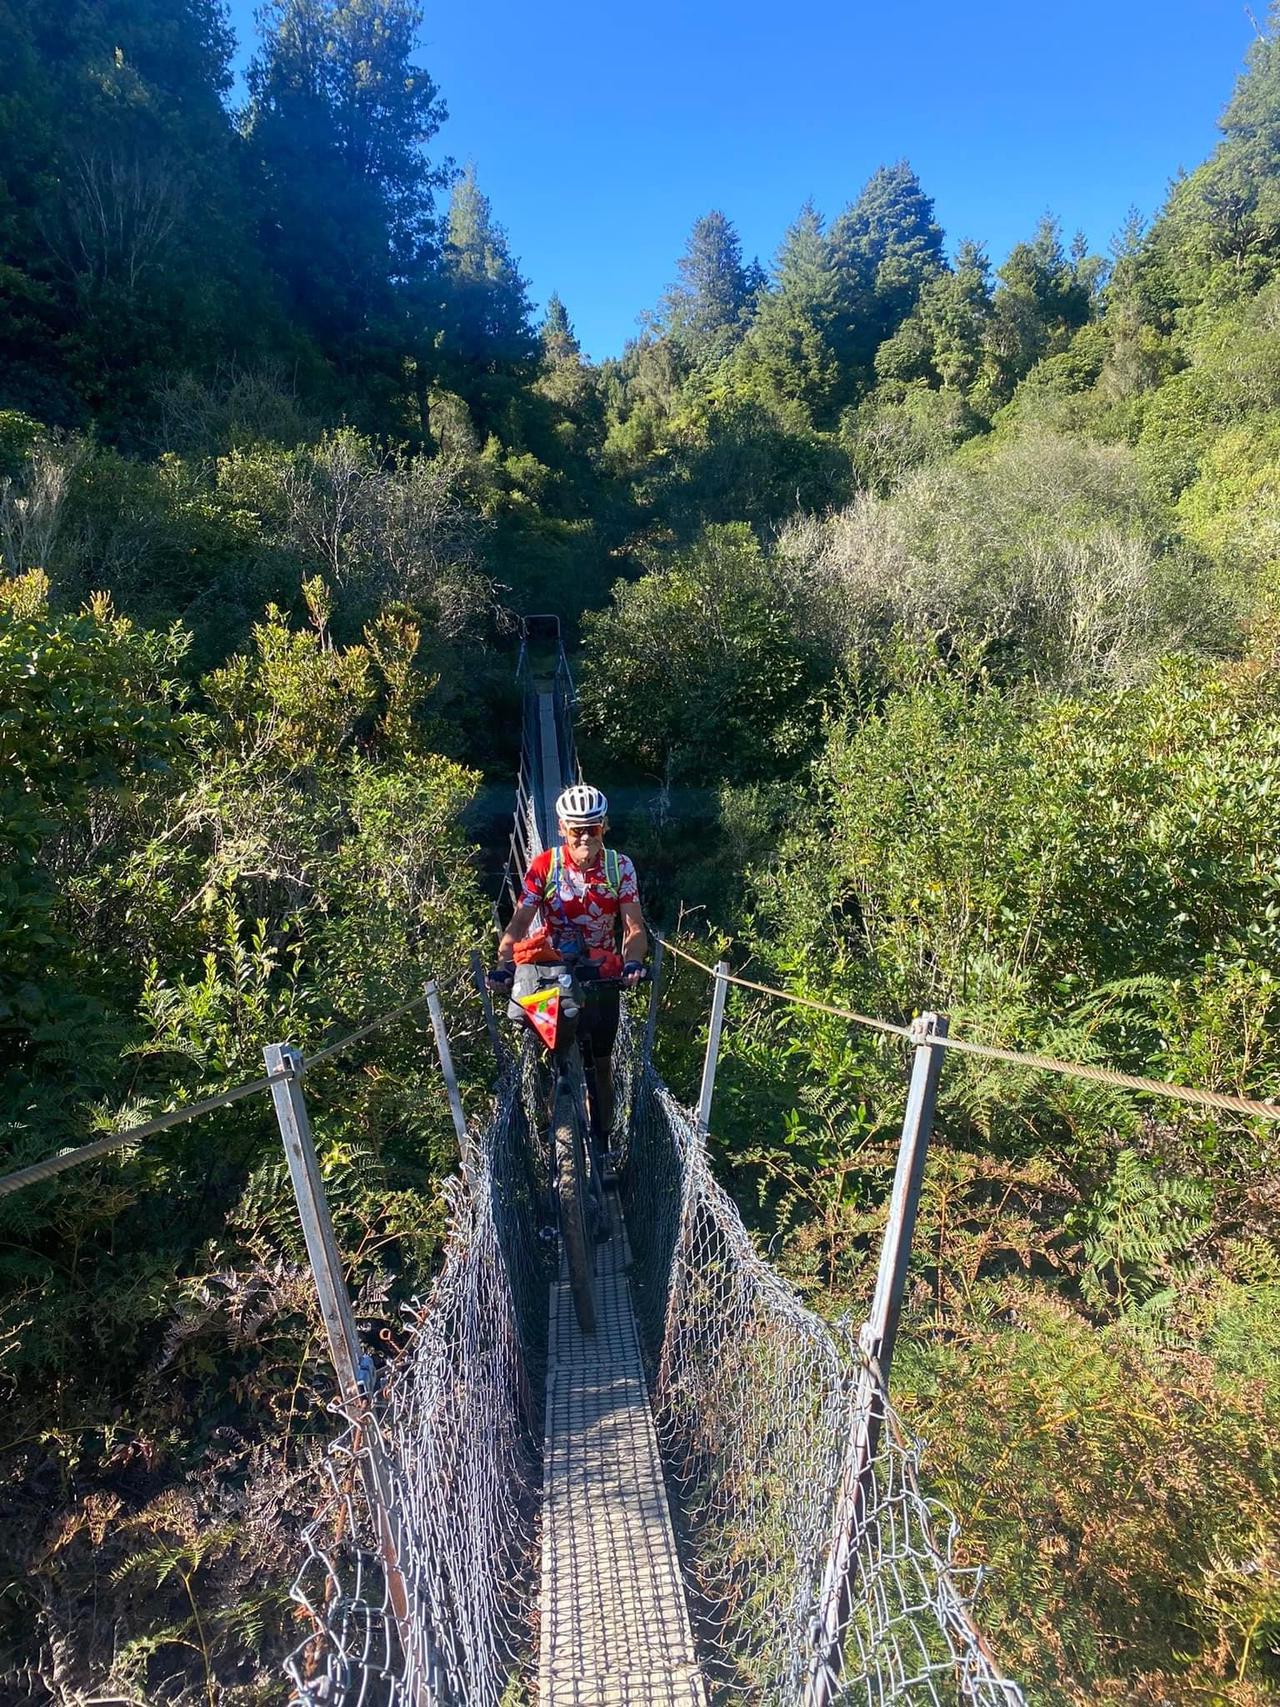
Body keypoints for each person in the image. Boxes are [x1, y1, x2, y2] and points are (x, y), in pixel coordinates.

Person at [489, 783, 648, 1135]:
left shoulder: (619, 867)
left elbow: (634, 927)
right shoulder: (545, 866)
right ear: (562, 828)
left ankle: (603, 1143)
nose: (585, 838)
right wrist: (504, 966)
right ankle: (554, 1131)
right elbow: (519, 923)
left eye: (592, 828)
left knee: (602, 1064)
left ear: (604, 826)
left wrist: (633, 962)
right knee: (552, 1056)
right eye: (577, 830)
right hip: (553, 974)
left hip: (600, 974)